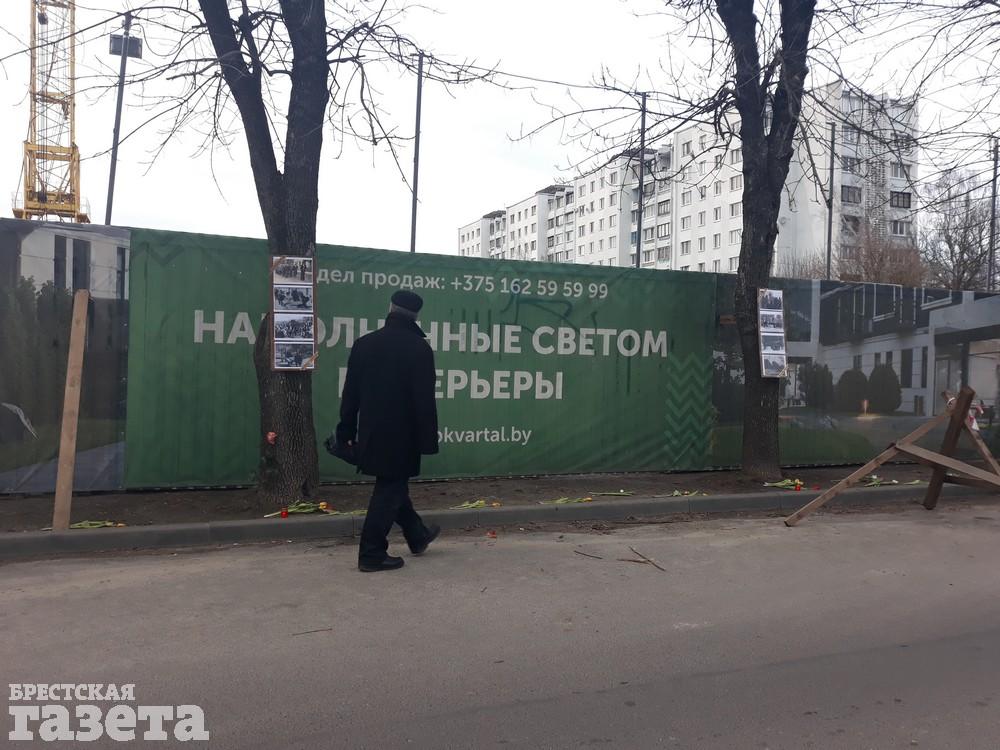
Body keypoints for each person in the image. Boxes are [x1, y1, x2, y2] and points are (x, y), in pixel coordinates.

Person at [336, 290, 441, 572]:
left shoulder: (364, 344)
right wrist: (428, 440)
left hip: (371, 432)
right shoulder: (419, 349)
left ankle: (417, 534)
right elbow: (424, 401)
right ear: (416, 316)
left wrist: (345, 432)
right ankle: (371, 553)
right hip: (403, 435)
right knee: (390, 489)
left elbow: (350, 395)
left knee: (393, 484)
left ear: (390, 308)